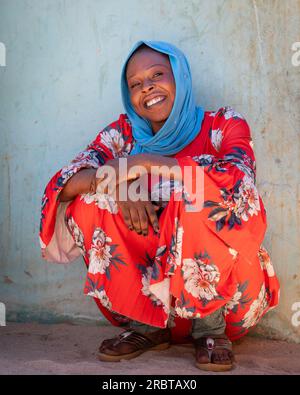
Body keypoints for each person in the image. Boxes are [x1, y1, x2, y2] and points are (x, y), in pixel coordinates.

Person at [39, 40, 280, 372]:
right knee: (91, 199)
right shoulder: (122, 134)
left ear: (179, 77)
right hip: (143, 304)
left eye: (157, 74)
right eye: (135, 84)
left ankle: (208, 330)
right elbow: (64, 183)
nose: (147, 87)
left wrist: (149, 162)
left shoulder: (223, 125)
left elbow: (241, 185)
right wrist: (118, 180)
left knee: (199, 192)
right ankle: (147, 327)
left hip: (229, 303)